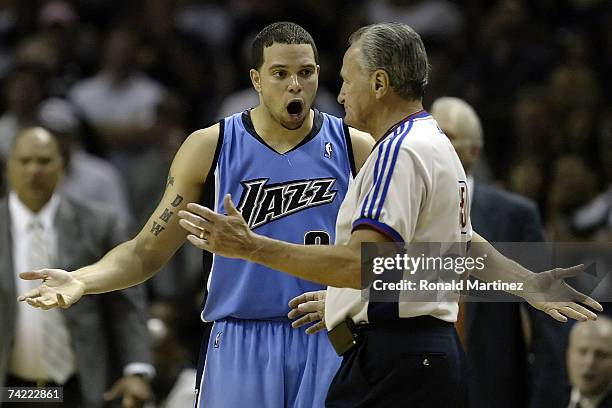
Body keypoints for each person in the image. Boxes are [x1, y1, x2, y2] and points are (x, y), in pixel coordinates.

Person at [175, 23, 602, 407]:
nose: (338, 94)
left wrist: (251, 246)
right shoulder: (434, 140)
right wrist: (528, 284)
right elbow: (460, 249)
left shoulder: (395, 153)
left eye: (345, 80)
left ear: (378, 83)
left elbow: (361, 265)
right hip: (431, 354)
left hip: (394, 359)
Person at [17, 22, 374, 408]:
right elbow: (145, 252)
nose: (295, 85)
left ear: (319, 74)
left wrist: (349, 298)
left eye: (306, 73)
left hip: (326, 334)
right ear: (256, 79)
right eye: (280, 74)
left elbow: (387, 258)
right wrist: (81, 280)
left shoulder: (354, 146)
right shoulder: (212, 146)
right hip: (239, 338)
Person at [1, 127, 153, 407]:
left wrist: (137, 369)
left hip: (80, 386)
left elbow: (127, 302)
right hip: (10, 389)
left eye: (44, 161)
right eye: (24, 161)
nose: (34, 170)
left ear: (62, 167)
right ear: (9, 166)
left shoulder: (99, 223)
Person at [431, 96, 567, 407]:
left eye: (446, 136)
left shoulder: (514, 216)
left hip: (494, 390)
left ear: (473, 152)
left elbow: (549, 323)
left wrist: (546, 399)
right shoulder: (404, 209)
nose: (433, 145)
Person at [565, 316, 612, 408]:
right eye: (582, 352)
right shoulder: (543, 397)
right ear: (568, 355)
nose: (589, 363)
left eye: (601, 355)